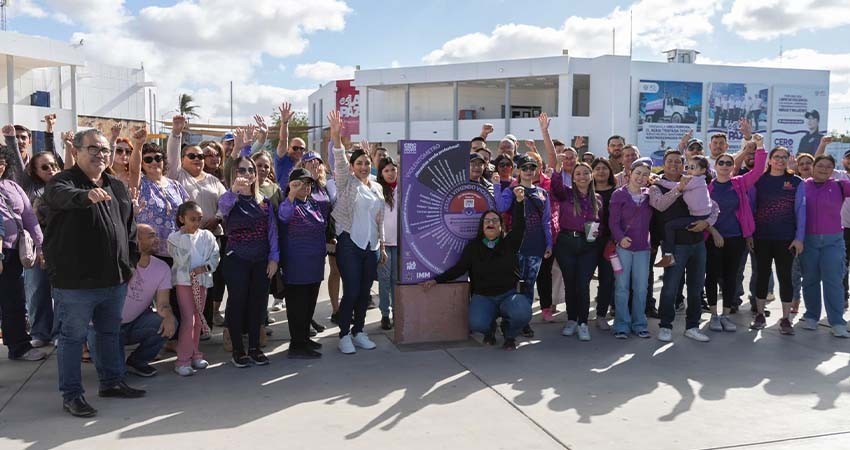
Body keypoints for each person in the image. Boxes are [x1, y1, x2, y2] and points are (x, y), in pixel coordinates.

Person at [44, 128, 144, 418]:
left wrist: (131, 262)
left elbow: (130, 227)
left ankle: (112, 382)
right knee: (73, 338)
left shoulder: (117, 186)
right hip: (75, 284)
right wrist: (86, 196)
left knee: (109, 333)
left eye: (105, 150)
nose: (101, 155)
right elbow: (61, 197)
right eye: (94, 149)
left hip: (114, 280)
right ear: (76, 151)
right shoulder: (62, 183)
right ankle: (72, 395)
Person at [421, 197, 530, 350]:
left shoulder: (510, 243)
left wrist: (519, 202)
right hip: (484, 296)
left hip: (508, 295)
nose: (490, 223)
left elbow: (520, 227)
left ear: (501, 226)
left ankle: (509, 333)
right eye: (487, 221)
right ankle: (490, 330)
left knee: (522, 312)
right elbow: (459, 269)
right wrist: (436, 280)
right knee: (476, 322)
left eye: (494, 221)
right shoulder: (473, 247)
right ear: (482, 227)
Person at [327, 111, 386, 355]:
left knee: (364, 292)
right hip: (349, 243)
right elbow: (339, 160)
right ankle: (343, 334)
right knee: (350, 290)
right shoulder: (345, 182)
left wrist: (381, 246)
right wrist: (336, 136)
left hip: (371, 246)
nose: (363, 167)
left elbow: (379, 218)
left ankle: (359, 331)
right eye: (359, 163)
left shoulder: (377, 187)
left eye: (367, 164)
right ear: (352, 167)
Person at [649, 149, 719, 343]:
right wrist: (678, 188)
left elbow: (712, 206)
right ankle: (665, 326)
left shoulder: (695, 180)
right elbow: (660, 205)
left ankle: (693, 326)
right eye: (670, 161)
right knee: (670, 287)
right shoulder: (656, 184)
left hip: (697, 244)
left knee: (696, 288)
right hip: (674, 245)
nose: (674, 165)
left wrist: (708, 223)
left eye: (678, 162)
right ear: (664, 163)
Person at [167, 116, 228, 332]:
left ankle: (204, 326)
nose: (198, 159)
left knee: (209, 282)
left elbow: (226, 202)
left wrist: (218, 217)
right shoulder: (177, 175)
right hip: (186, 239)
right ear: (183, 158)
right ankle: (186, 327)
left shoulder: (213, 180)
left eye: (200, 156)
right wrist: (176, 133)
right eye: (192, 155)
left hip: (212, 236)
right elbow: (171, 156)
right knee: (186, 283)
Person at [609, 160, 682, 338]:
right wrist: (619, 237)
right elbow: (613, 221)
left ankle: (639, 323)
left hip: (643, 248)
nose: (641, 177)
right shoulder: (619, 194)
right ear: (630, 174)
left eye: (645, 174)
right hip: (623, 249)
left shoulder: (650, 194)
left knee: (641, 288)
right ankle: (621, 325)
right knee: (622, 287)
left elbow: (664, 203)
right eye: (638, 173)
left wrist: (666, 184)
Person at [219, 156, 279, 367]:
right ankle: (238, 350)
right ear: (234, 173)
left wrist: (274, 258)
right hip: (237, 259)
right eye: (241, 170)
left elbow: (272, 232)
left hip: (261, 259)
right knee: (237, 303)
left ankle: (254, 348)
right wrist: (234, 189)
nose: (247, 173)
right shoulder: (229, 198)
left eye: (250, 170)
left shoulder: (264, 202)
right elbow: (223, 209)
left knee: (258, 304)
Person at [705, 139, 767, 332]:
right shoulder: (707, 187)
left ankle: (725, 314)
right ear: (715, 166)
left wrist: (760, 147)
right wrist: (713, 232)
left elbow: (757, 171)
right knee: (713, 276)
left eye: (729, 163)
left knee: (732, 276)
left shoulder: (739, 183)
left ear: (733, 166)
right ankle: (714, 315)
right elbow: (701, 213)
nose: (725, 166)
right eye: (721, 163)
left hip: (736, 237)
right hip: (712, 237)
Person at [106, 223, 176, 377]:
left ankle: (137, 362)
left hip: (134, 325)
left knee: (167, 322)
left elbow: (163, 303)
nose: (157, 239)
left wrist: (169, 315)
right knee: (115, 376)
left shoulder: (162, 267)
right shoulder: (117, 263)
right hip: (108, 327)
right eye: (151, 236)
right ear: (136, 240)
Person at [493, 154, 552, 336]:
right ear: (518, 170)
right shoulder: (512, 190)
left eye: (532, 168)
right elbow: (501, 208)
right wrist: (496, 186)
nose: (528, 171)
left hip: (536, 245)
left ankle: (524, 320)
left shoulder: (542, 193)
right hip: (515, 246)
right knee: (512, 285)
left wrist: (549, 243)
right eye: (525, 168)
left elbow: (546, 221)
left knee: (529, 285)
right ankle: (509, 319)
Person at [751, 146, 805, 333]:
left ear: (789, 160)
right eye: (776, 157)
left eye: (784, 157)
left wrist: (799, 238)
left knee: (785, 278)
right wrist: (749, 234)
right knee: (761, 276)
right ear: (770, 160)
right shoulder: (759, 180)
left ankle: (785, 318)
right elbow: (750, 209)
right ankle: (759, 313)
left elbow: (801, 212)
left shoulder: (796, 181)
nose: (780, 160)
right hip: (762, 237)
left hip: (786, 239)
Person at [0, 149, 46, 362]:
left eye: (2, 162)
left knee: (14, 302)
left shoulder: (12, 187)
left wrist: (41, 246)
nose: (0, 166)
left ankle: (18, 346)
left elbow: (29, 217)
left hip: (13, 254)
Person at [279, 168, 328, 358]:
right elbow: (283, 217)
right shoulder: (289, 203)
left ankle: (305, 338)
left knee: (309, 305)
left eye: (308, 183)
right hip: (297, 264)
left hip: (314, 263)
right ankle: (297, 344)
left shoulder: (313, 204)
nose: (305, 187)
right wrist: (291, 193)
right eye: (299, 183)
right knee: (297, 306)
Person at [799, 155, 850, 337]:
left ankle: (837, 322)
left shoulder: (839, 185)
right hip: (808, 241)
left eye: (828, 166)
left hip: (833, 241)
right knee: (810, 280)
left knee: (834, 281)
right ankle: (811, 316)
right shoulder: (802, 185)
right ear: (813, 167)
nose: (824, 169)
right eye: (820, 165)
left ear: (833, 169)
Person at [551, 160, 602, 341]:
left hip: (588, 246)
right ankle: (571, 319)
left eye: (585, 173)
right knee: (570, 284)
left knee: (583, 284)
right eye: (578, 173)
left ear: (591, 176)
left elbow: (600, 224)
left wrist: (596, 233)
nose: (582, 176)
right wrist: (557, 169)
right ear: (572, 178)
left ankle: (583, 323)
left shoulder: (597, 199)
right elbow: (555, 186)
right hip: (566, 243)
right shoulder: (566, 194)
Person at [167, 201, 219, 376]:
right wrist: (185, 235)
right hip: (184, 282)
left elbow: (215, 255)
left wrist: (205, 268)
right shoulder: (174, 238)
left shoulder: (207, 236)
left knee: (198, 317)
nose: (196, 223)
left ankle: (195, 354)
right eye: (192, 219)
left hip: (202, 281)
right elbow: (180, 259)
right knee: (188, 320)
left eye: (199, 219)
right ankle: (182, 360)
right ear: (182, 219)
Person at [21, 150, 62, 348]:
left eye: (54, 165)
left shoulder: (65, 187)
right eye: (45, 167)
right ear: (35, 171)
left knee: (61, 292)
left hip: (62, 247)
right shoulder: (31, 189)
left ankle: (59, 332)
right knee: (37, 289)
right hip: (38, 247)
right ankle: (40, 332)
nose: (51, 169)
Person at [296, 151, 336, 331]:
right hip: (305, 243)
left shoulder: (322, 186)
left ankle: (308, 318)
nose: (314, 164)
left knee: (315, 282)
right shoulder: (298, 185)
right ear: (302, 165)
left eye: (317, 161)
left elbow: (329, 214)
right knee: (304, 284)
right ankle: (303, 322)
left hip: (322, 240)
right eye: (309, 161)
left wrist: (330, 236)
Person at [655, 155, 714, 267]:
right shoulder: (694, 179)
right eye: (689, 167)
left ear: (702, 170)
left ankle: (668, 255)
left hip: (698, 217)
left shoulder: (695, 180)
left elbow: (676, 185)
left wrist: (659, 181)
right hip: (698, 216)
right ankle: (668, 255)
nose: (690, 169)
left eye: (693, 167)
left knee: (669, 226)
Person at [590, 158, 616, 330]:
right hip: (590, 239)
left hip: (611, 241)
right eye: (597, 168)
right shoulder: (586, 190)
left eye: (604, 168)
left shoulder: (616, 192)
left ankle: (601, 315)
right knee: (583, 278)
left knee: (607, 279)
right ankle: (579, 316)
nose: (601, 171)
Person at [376, 157, 399, 330]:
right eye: (386, 171)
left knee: (396, 280)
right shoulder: (377, 190)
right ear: (381, 174)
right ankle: (385, 314)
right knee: (384, 280)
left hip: (401, 243)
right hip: (383, 243)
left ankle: (398, 312)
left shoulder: (404, 188)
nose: (390, 173)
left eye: (393, 169)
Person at [790, 152, 814, 313]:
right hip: (796, 234)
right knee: (794, 272)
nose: (805, 165)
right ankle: (795, 300)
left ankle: (811, 307)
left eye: (808, 163)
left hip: (815, 234)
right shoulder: (795, 184)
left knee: (811, 273)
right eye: (802, 163)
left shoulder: (820, 183)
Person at [275, 102, 304, 185]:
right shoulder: (282, 161)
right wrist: (285, 123)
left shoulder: (305, 165)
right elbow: (283, 140)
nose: (298, 151)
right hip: (284, 197)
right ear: (288, 148)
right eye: (295, 148)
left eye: (301, 149)